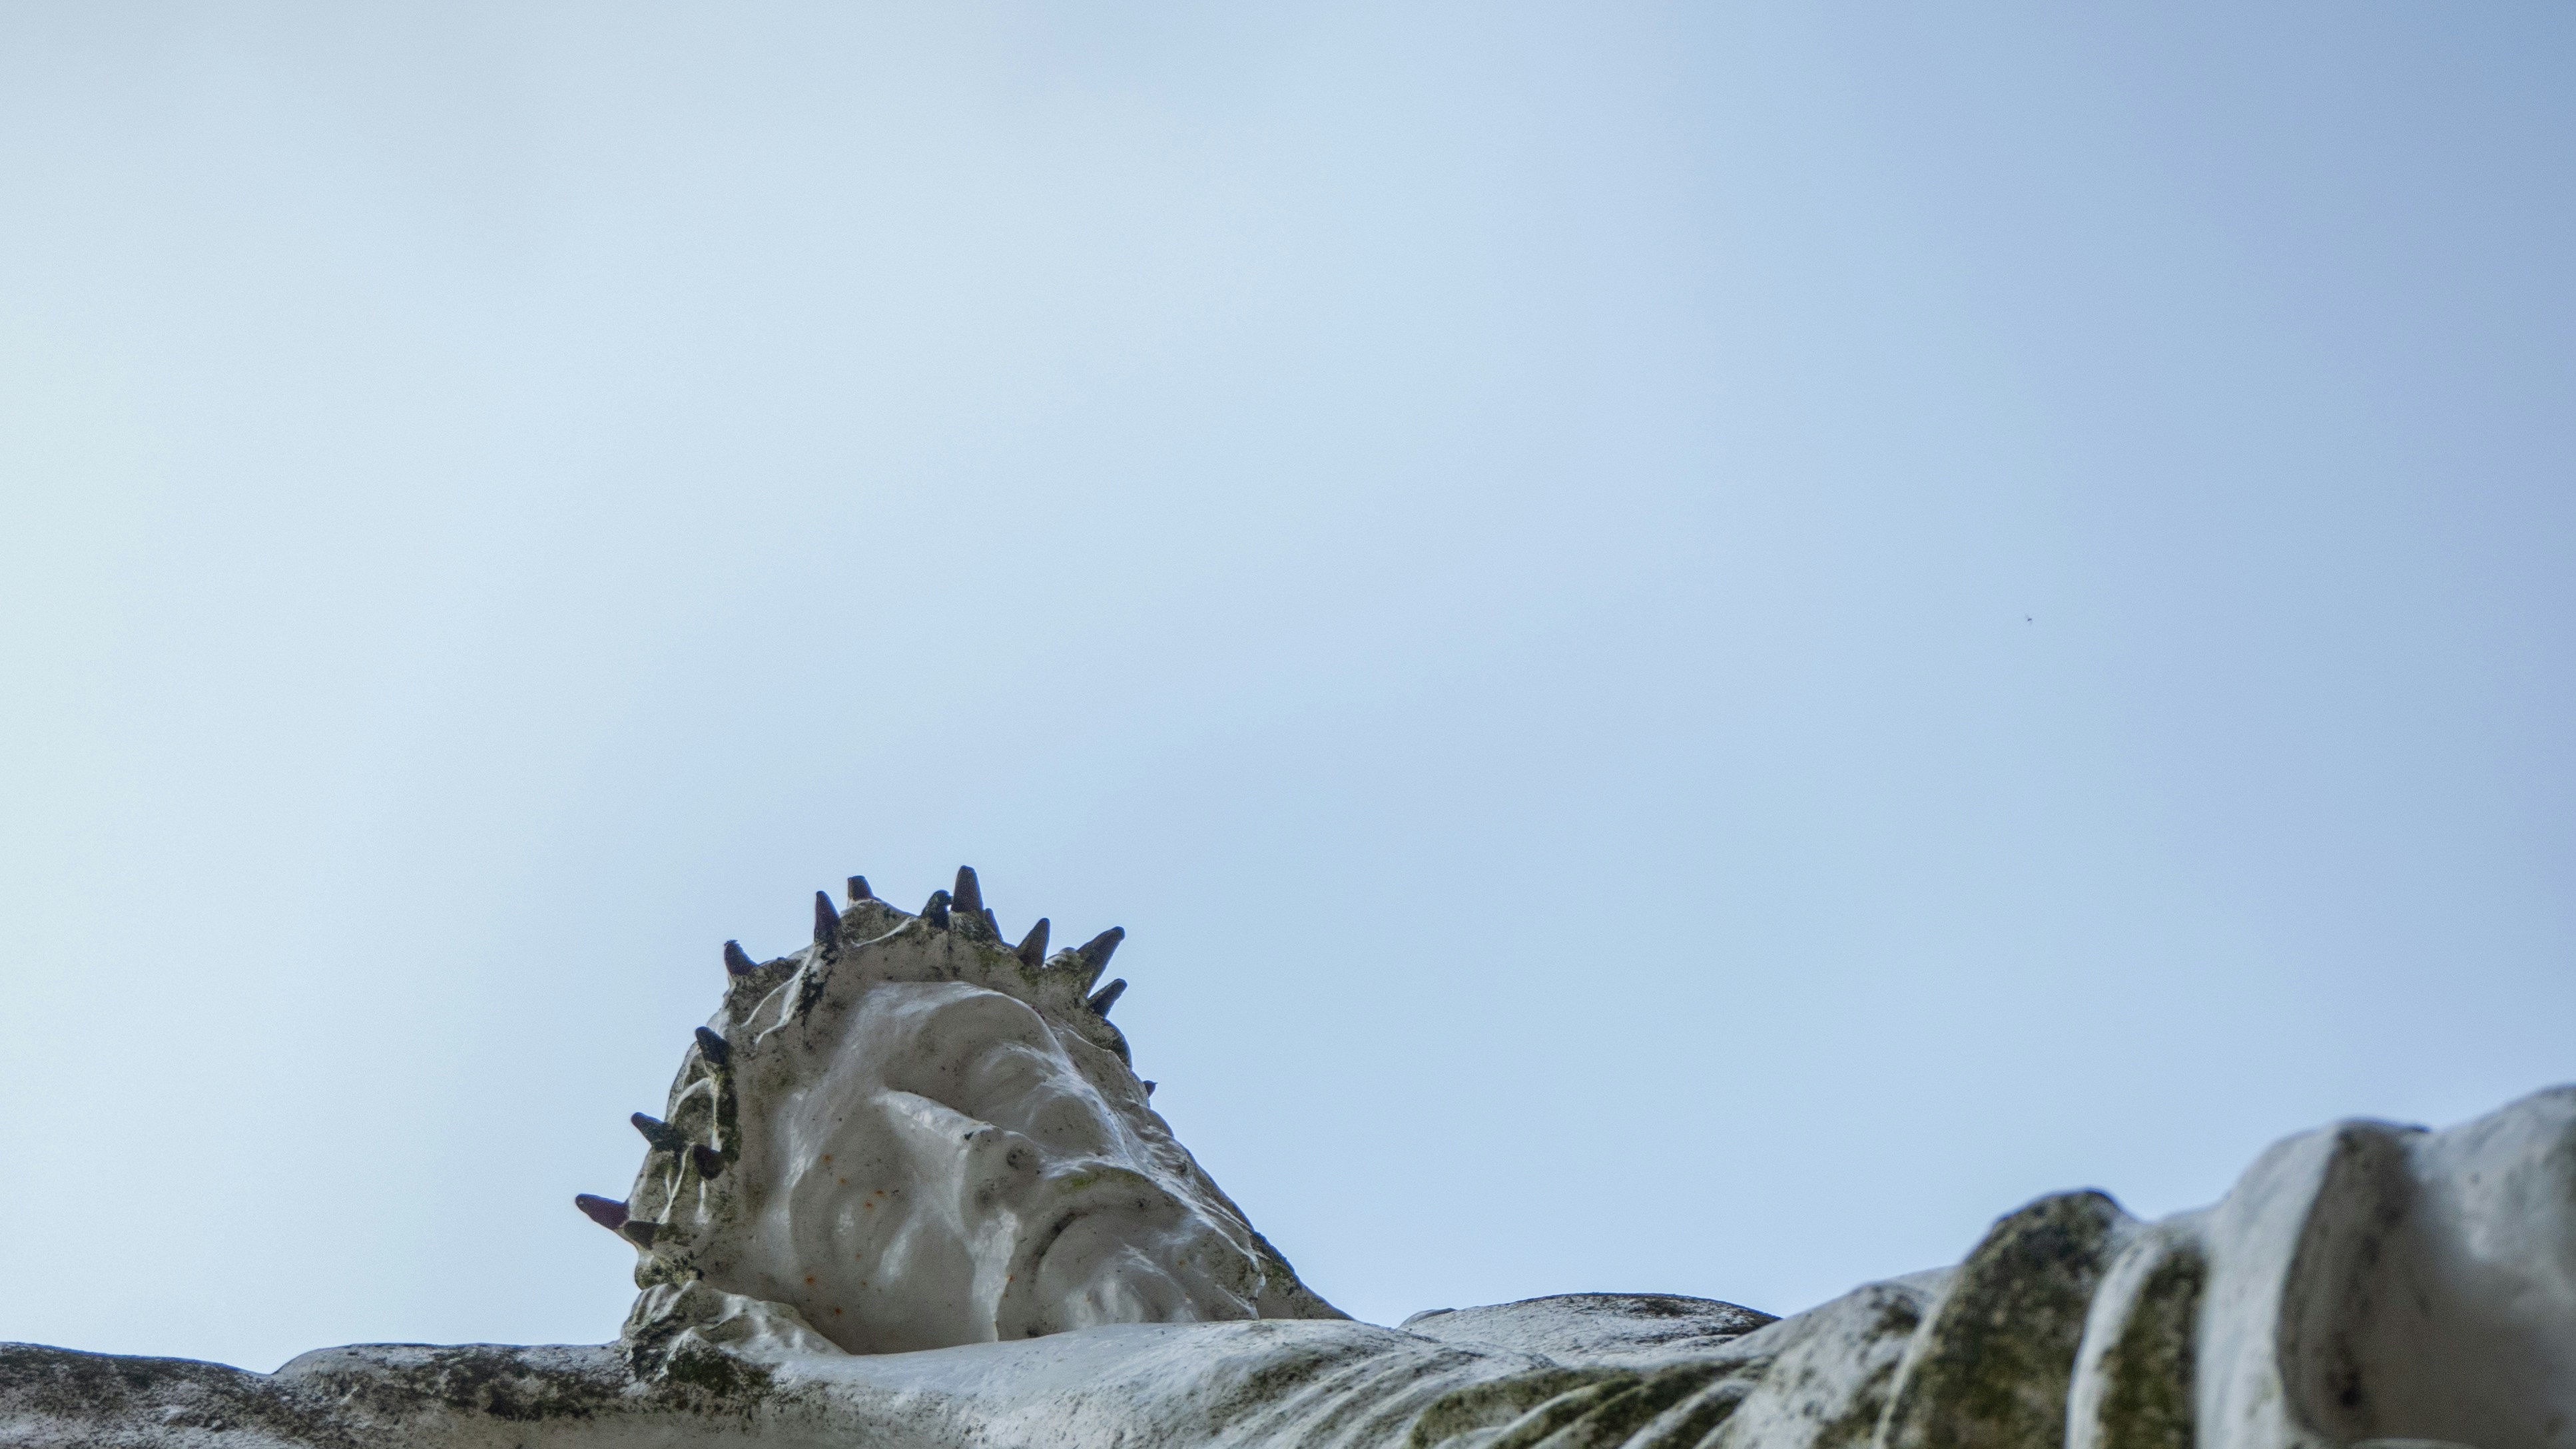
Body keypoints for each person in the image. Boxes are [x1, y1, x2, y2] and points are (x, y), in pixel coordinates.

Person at [5, 869, 2572, 1448]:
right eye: (873, 1197)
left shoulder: (1522, 1321)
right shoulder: (857, 1434)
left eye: (1001, 1078)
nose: (981, 1163)